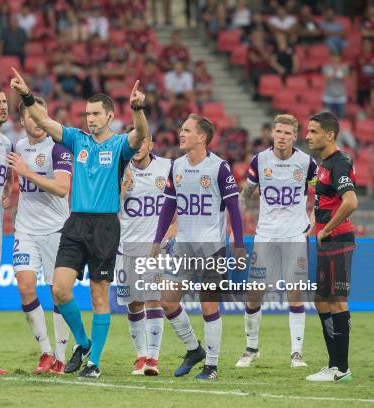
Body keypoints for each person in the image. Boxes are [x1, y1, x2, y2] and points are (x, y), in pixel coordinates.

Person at [10, 68, 148, 378]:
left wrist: (138, 110)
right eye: (87, 114)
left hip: (104, 226)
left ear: (110, 117)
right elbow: (43, 121)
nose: (91, 118)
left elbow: (142, 135)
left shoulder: (120, 146)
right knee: (59, 290)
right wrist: (26, 94)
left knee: (99, 296)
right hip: (75, 223)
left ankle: (94, 362)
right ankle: (83, 342)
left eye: (97, 114)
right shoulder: (76, 140)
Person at [153, 114, 245, 380]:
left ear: (202, 137)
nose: (180, 134)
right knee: (167, 301)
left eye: (186, 130)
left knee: (208, 307)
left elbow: (234, 209)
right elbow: (168, 206)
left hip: (212, 248)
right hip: (182, 247)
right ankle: (194, 350)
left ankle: (212, 367)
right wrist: (157, 241)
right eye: (180, 129)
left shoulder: (219, 168)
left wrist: (238, 244)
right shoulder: (177, 166)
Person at [235, 114, 317, 369]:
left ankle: (296, 353)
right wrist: (236, 227)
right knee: (254, 293)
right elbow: (245, 195)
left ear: (295, 136)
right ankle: (251, 349)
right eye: (278, 132)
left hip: (295, 235)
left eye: (287, 133)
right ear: (272, 133)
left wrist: (313, 220)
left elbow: (324, 194)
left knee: (295, 292)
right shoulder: (261, 160)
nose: (281, 137)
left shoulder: (307, 163)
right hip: (266, 235)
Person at [6, 97, 73, 374]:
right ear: (22, 121)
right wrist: (9, 191)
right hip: (26, 229)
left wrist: (27, 173)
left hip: (57, 229)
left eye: (41, 116)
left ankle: (60, 355)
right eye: (31, 117)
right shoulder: (18, 147)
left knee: (59, 293)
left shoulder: (60, 147)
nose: (37, 122)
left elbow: (61, 188)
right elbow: (13, 178)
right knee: (25, 287)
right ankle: (46, 352)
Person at [305, 112, 357, 383]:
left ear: (330, 134)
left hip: (338, 239)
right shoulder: (324, 163)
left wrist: (325, 228)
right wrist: (315, 223)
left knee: (336, 301)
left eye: (313, 131)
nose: (308, 136)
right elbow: (326, 200)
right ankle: (333, 364)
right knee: (321, 300)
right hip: (327, 239)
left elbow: (350, 201)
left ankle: (342, 368)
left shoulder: (339, 162)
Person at [116, 135, 172, 376]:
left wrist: (173, 231)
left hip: (154, 247)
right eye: (135, 143)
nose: (138, 148)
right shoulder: (119, 170)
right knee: (134, 303)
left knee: (153, 300)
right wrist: (121, 189)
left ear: (151, 144)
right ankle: (140, 356)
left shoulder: (168, 167)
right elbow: (109, 207)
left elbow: (180, 200)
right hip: (126, 246)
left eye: (143, 143)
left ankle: (153, 358)